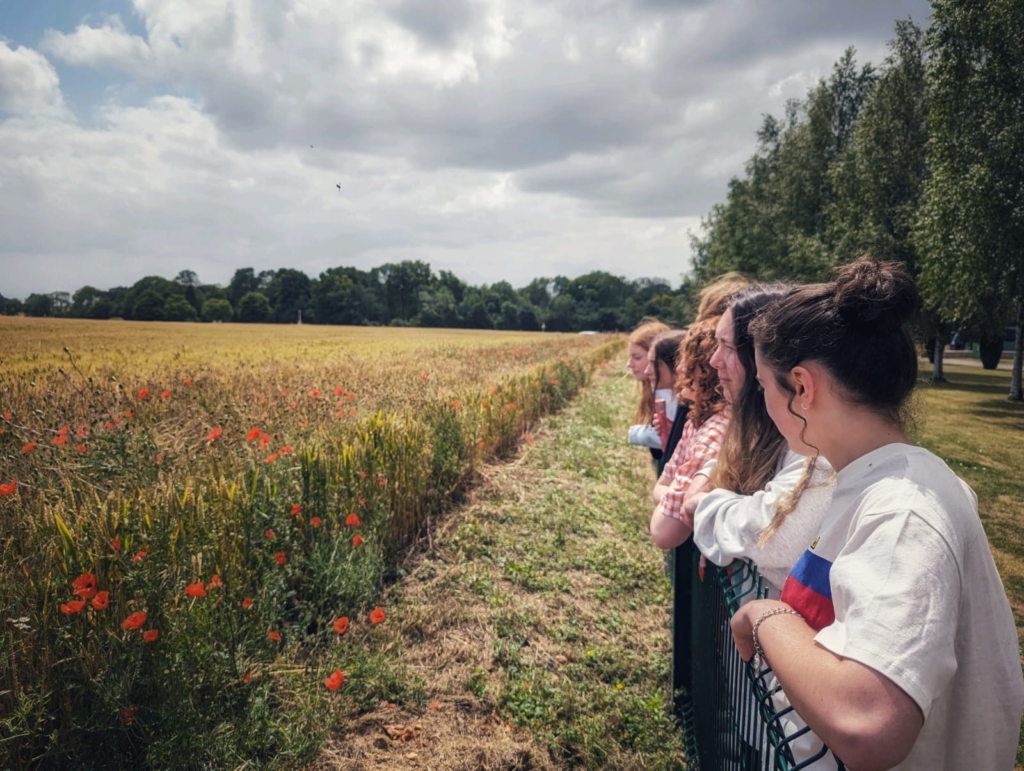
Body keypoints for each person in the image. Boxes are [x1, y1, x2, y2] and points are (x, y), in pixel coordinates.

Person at [729, 259, 1023, 770]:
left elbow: (868, 723)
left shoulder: (904, 511)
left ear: (802, 387)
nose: (764, 404)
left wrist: (765, 616)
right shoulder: (870, 483)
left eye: (764, 386)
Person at [682, 284, 833, 596]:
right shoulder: (764, 435)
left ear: (761, 358)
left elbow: (772, 533)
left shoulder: (814, 450)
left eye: (727, 346)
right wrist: (706, 474)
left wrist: (704, 506)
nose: (714, 361)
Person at [649, 318, 729, 550]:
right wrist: (677, 496)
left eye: (691, 359)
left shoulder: (714, 432)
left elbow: (663, 533)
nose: (681, 368)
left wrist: (671, 495)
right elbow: (662, 486)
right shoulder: (695, 423)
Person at [641, 330, 688, 468]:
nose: (647, 371)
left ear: (676, 365)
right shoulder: (677, 400)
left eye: (654, 364)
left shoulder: (687, 405)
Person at [626, 319, 670, 464]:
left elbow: (668, 435)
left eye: (637, 357)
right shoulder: (653, 387)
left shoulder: (669, 392)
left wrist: (636, 434)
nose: (629, 364)